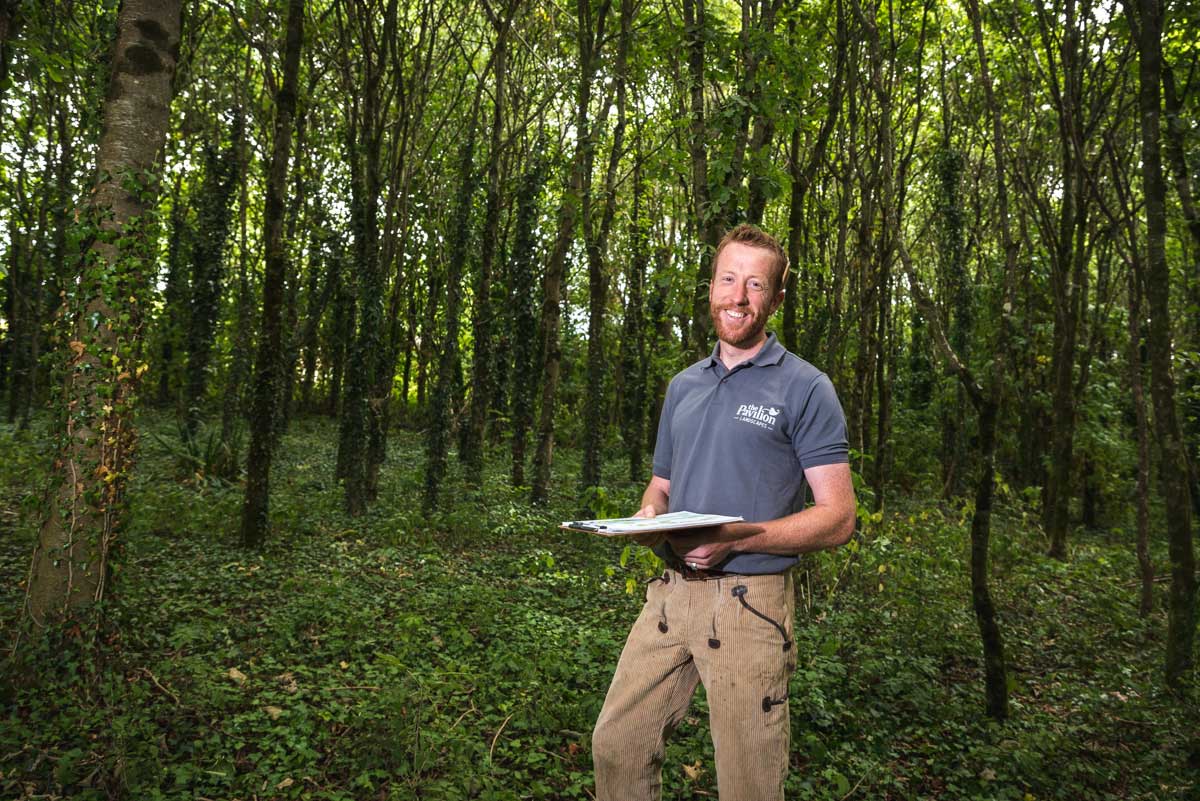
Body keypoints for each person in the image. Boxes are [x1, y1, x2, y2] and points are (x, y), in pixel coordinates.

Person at [591, 223, 856, 801]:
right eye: (728, 279)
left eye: (755, 285)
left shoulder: (806, 388)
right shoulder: (683, 386)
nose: (738, 296)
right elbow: (660, 486)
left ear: (776, 299)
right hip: (668, 598)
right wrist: (646, 514)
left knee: (747, 784)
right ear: (711, 285)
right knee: (617, 746)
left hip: (747, 607)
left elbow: (838, 517)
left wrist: (738, 539)